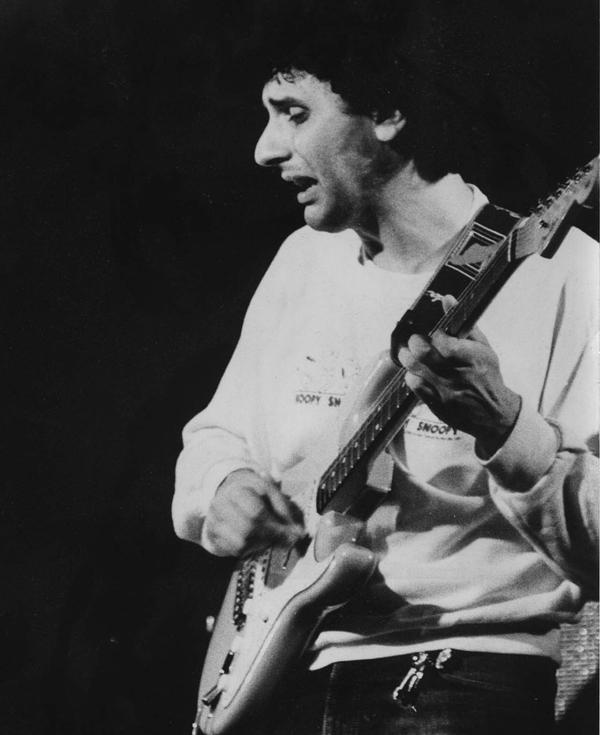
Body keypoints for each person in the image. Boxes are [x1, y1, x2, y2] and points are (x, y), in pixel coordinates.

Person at [173, 2, 598, 732]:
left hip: (460, 681)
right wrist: (224, 487)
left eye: (293, 113)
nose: (265, 149)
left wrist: (508, 429)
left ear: (388, 113)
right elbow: (215, 438)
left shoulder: (567, 278)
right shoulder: (302, 262)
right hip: (289, 677)